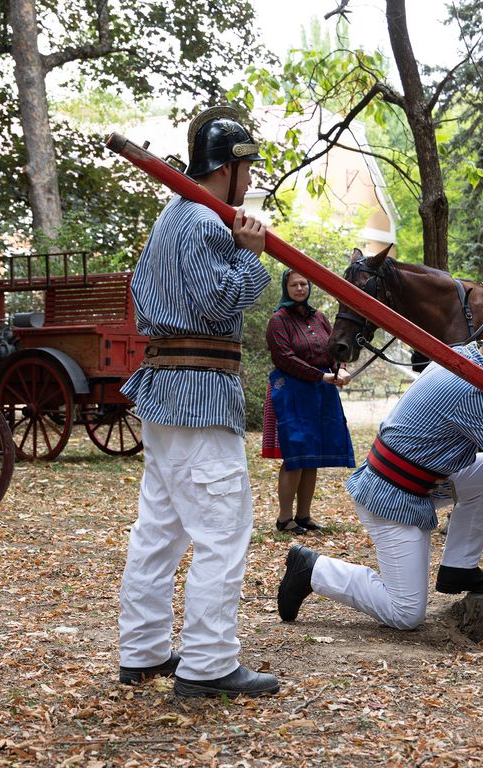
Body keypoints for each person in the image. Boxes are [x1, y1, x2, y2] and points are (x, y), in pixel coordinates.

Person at [276, 314, 483, 631]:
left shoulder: (464, 360)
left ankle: (459, 568)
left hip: (419, 482)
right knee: (406, 612)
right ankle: (314, 570)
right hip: (392, 496)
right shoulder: (469, 390)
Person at [116, 105, 280, 699]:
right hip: (198, 394)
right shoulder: (208, 224)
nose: (252, 180)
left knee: (160, 530)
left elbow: (145, 293)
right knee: (222, 530)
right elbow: (219, 304)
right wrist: (249, 253)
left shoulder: (170, 220)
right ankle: (209, 664)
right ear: (230, 169)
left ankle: (142, 648)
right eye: (249, 168)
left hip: (166, 391)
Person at [261, 269, 355, 535]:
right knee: (295, 455)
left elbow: (334, 349)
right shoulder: (278, 320)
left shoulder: (320, 318)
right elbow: (284, 358)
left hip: (322, 393)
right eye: (295, 284)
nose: (300, 288)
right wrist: (321, 375)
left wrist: (340, 369)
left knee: (311, 456)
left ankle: (304, 515)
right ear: (286, 286)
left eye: (304, 283)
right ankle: (284, 518)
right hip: (292, 393)